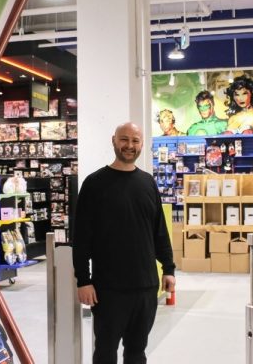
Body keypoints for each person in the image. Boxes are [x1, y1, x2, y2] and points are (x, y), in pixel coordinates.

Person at [73, 122, 176, 364]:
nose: (129, 145)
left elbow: (159, 231)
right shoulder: (94, 184)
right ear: (114, 140)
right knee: (106, 353)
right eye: (124, 139)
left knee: (137, 351)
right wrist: (83, 280)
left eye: (135, 140)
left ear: (142, 144)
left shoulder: (148, 183)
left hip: (146, 287)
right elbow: (82, 237)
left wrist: (169, 268)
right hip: (108, 290)